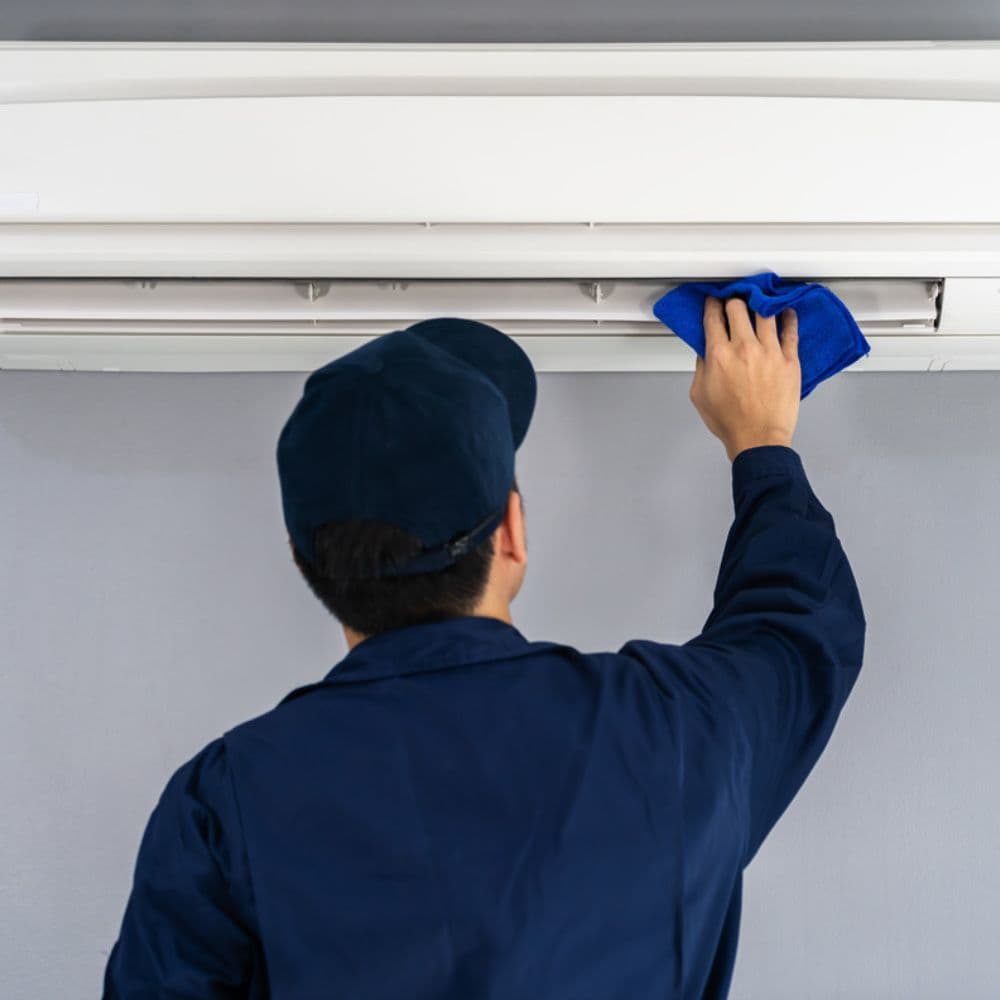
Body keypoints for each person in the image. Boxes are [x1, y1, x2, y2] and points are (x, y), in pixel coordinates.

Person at [102, 297, 865, 999]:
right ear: (512, 532)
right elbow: (798, 629)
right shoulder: (670, 731)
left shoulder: (224, 805)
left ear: (305, 562)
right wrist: (760, 442)